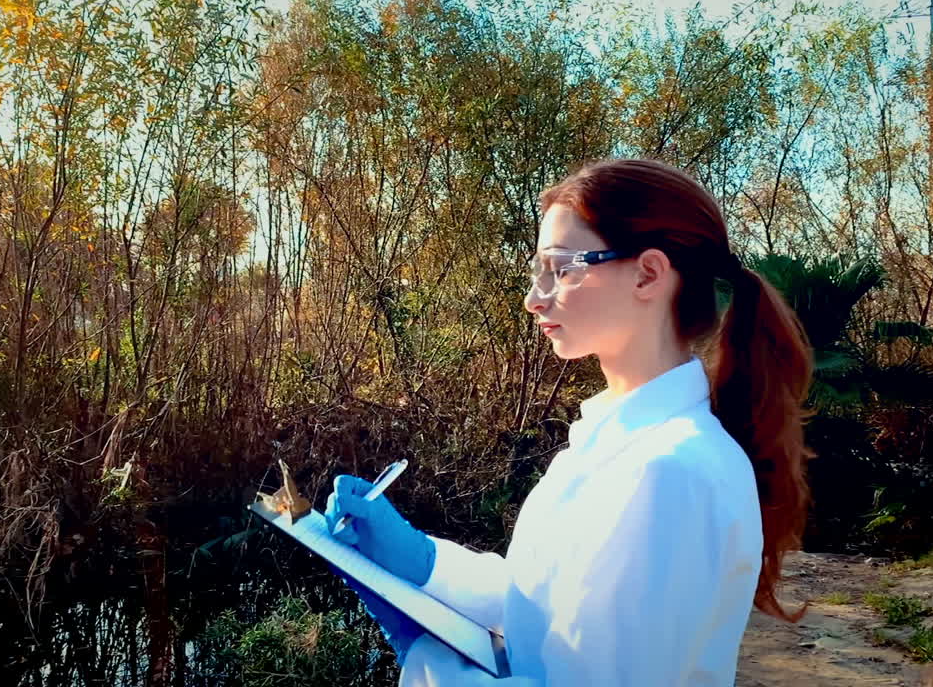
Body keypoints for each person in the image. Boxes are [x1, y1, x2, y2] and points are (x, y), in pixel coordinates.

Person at [324, 159, 815, 686]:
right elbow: (548, 605)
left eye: (561, 269)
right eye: (537, 271)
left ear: (648, 274)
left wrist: (428, 662)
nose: (535, 298)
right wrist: (424, 565)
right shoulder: (610, 444)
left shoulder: (673, 471)